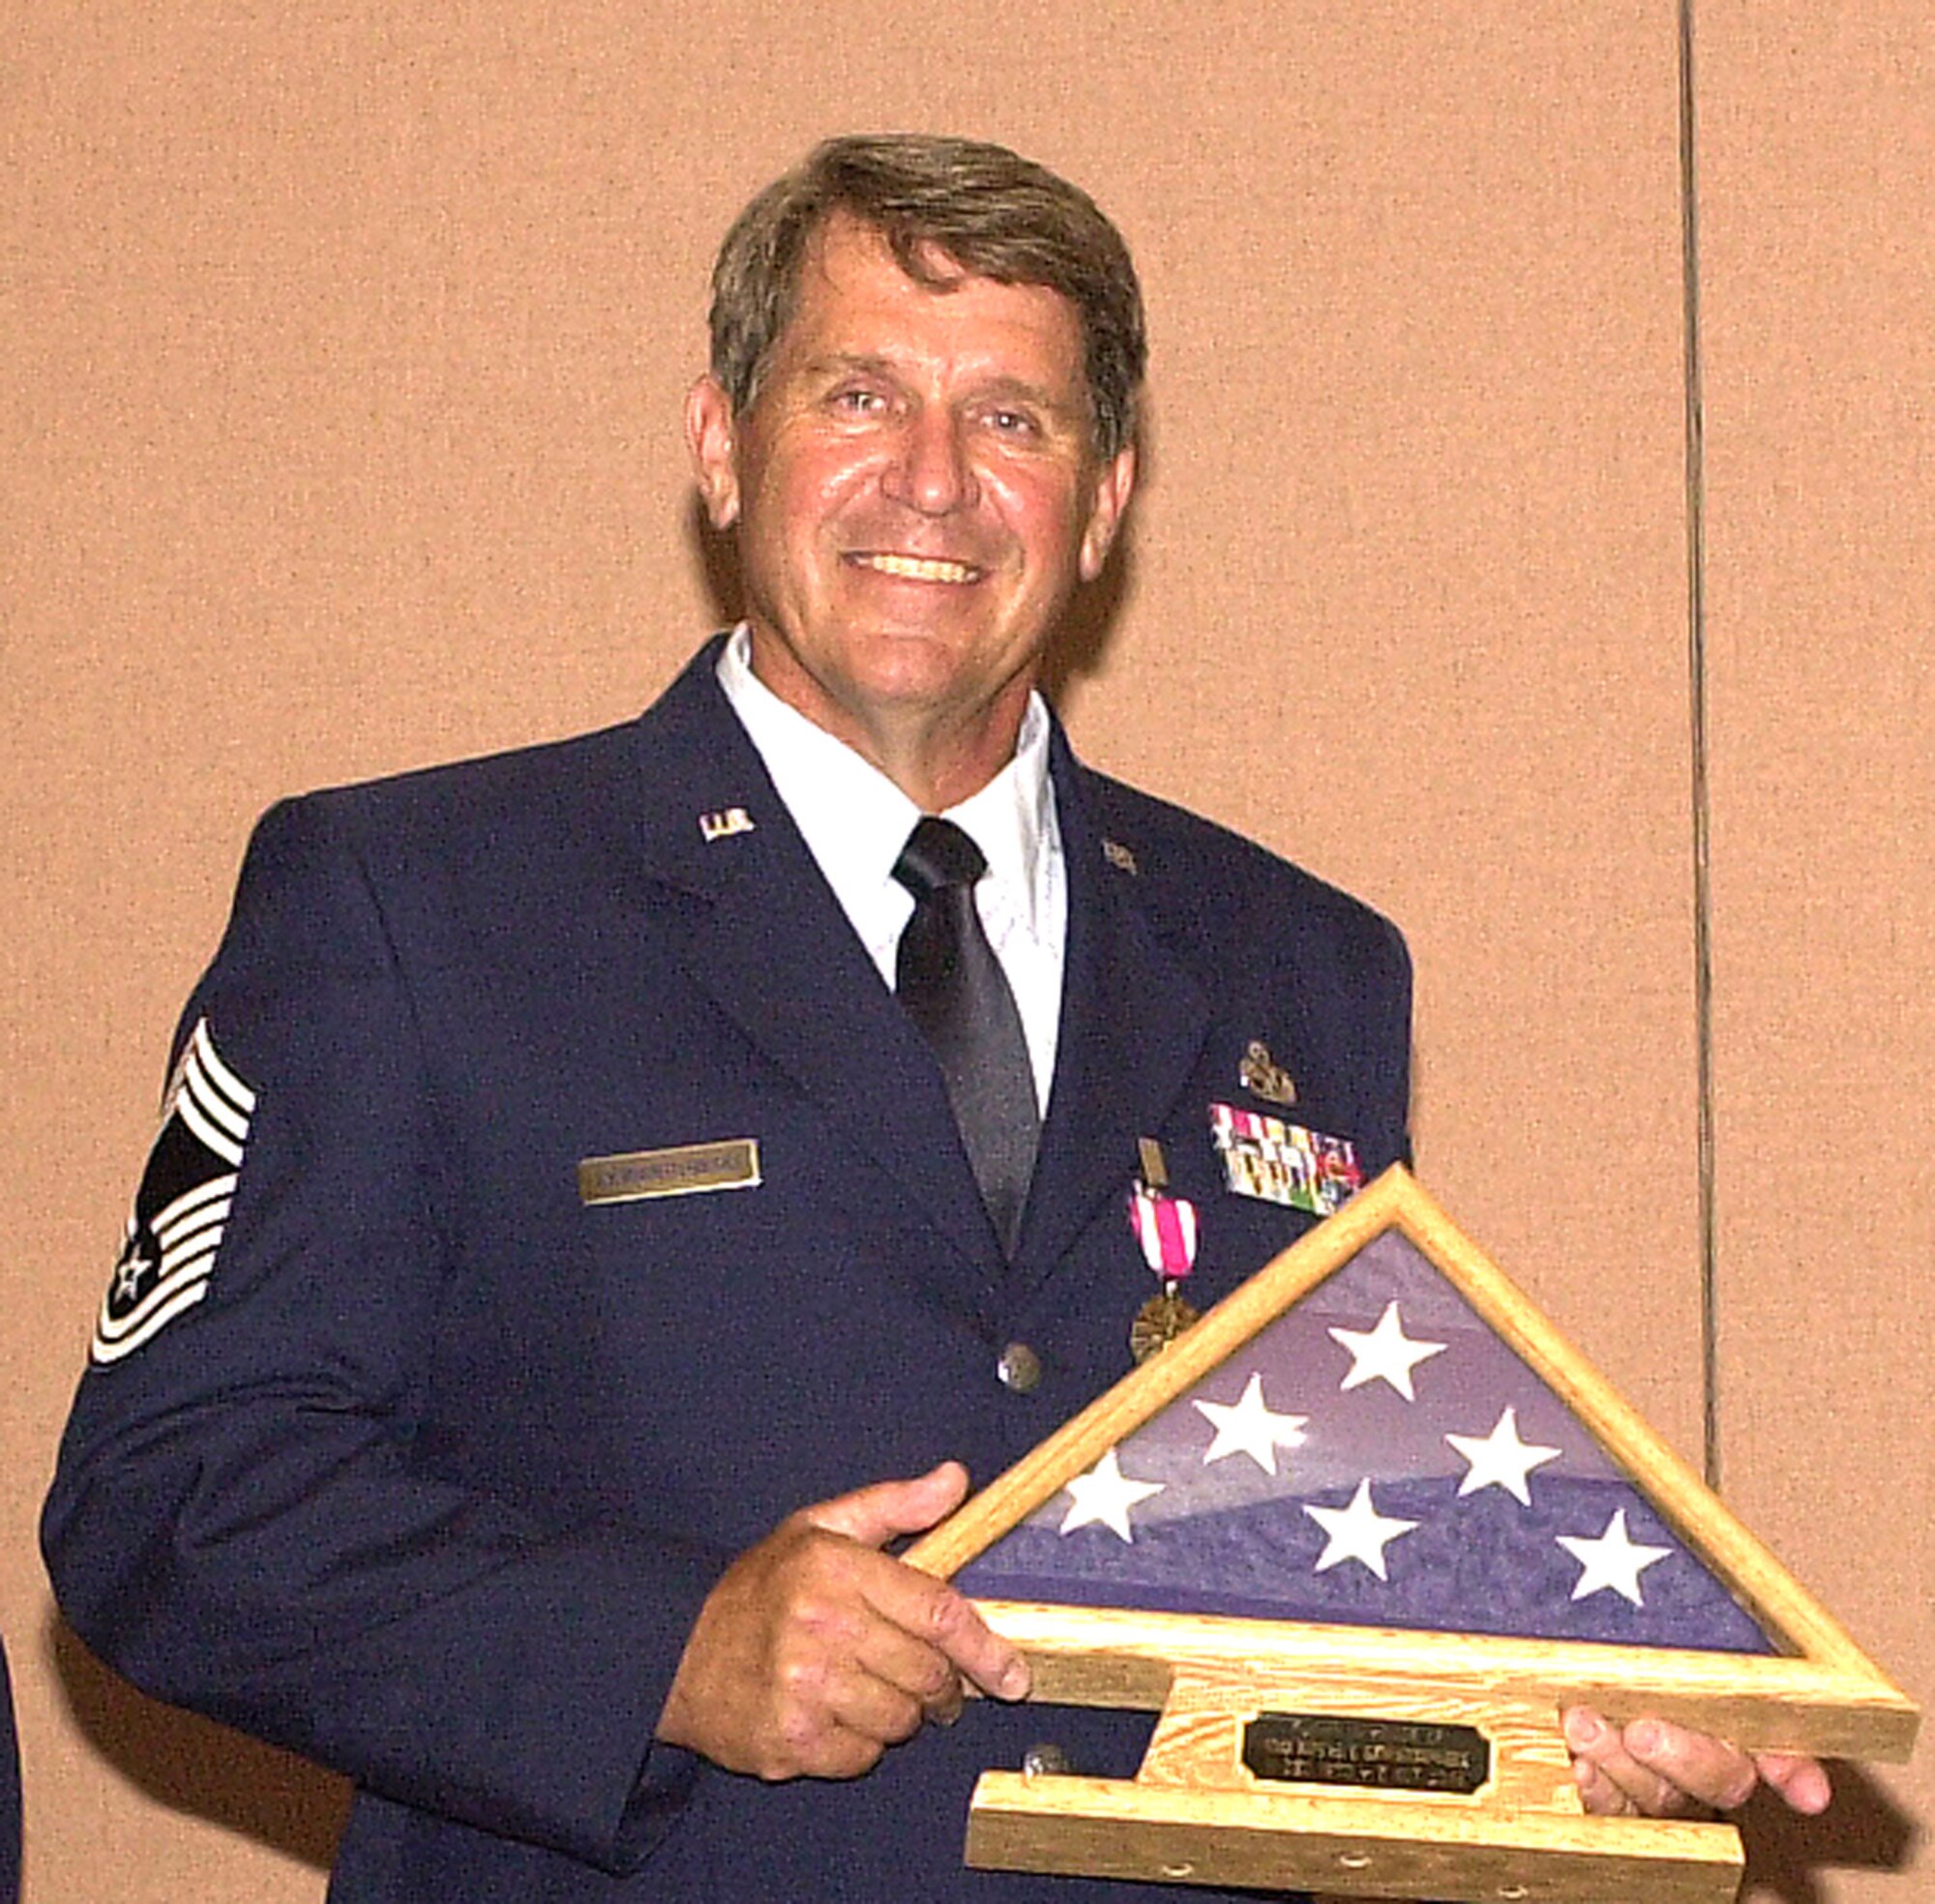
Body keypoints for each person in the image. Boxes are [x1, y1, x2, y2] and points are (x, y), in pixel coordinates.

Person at [43, 134, 1825, 1902]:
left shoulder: (1302, 965)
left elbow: (1319, 1578)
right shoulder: (419, 902)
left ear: (1107, 499)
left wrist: (1549, 1756)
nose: (935, 481)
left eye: (1016, 420)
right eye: (859, 395)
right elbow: (171, 1504)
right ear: (720, 448)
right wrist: (662, 1654)